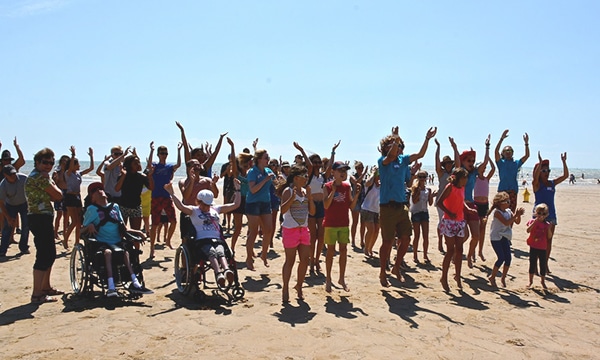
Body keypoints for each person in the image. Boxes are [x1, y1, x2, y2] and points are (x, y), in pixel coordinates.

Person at [378, 126, 436, 287]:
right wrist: (395, 137)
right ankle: (383, 271)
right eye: (394, 145)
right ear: (386, 148)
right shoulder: (383, 161)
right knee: (387, 242)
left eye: (399, 146)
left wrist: (427, 138)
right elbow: (389, 156)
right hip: (387, 207)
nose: (398, 148)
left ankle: (397, 267)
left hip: (401, 205)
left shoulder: (403, 161)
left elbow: (420, 155)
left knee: (406, 238)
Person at [82, 182, 153, 297]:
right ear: (92, 198)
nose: (99, 190)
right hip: (101, 242)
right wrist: (88, 226)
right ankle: (111, 287)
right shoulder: (92, 209)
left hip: (117, 241)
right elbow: (81, 231)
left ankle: (135, 283)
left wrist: (138, 232)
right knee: (108, 253)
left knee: (125, 252)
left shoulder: (115, 207)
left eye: (100, 188)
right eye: (95, 190)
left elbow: (124, 228)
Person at [165, 181, 241, 287]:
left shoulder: (215, 209)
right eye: (204, 205)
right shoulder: (194, 210)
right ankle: (219, 274)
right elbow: (181, 207)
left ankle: (227, 270)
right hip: (202, 240)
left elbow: (235, 205)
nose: (206, 207)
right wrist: (172, 194)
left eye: (208, 205)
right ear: (198, 201)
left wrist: (237, 190)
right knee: (212, 252)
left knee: (220, 252)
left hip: (217, 239)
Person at [26, 148, 63, 304]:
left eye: (51, 163)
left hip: (42, 217)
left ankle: (45, 287)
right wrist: (51, 185)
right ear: (37, 162)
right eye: (45, 162)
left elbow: (55, 196)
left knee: (50, 253)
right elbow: (59, 195)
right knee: (43, 255)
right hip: (39, 218)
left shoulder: (41, 177)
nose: (48, 165)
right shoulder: (39, 178)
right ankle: (37, 293)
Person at [277, 164, 315, 302]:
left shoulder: (305, 192)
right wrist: (292, 199)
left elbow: (312, 212)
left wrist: (310, 198)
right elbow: (282, 210)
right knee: (290, 260)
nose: (306, 179)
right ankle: (285, 287)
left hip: (303, 230)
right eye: (304, 176)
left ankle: (299, 285)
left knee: (305, 259)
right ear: (297, 178)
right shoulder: (288, 191)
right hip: (290, 230)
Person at [323, 161, 361, 292]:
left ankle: (341, 278)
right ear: (333, 172)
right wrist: (333, 191)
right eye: (340, 170)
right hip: (330, 223)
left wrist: (356, 195)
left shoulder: (347, 187)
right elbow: (326, 205)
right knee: (330, 251)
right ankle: (328, 278)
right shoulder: (327, 186)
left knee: (343, 250)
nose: (343, 173)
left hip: (344, 223)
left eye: (345, 170)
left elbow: (350, 206)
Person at [436, 168, 477, 292]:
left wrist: (467, 209)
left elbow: (461, 201)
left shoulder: (462, 188)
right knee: (450, 250)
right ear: (459, 178)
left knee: (459, 250)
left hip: (460, 221)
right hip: (449, 221)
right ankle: (444, 277)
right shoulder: (450, 187)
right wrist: (449, 212)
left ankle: (457, 276)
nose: (466, 180)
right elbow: (439, 202)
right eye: (464, 178)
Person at [450, 137, 487, 269]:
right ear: (463, 161)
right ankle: (454, 252)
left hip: (471, 204)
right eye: (469, 160)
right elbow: (457, 163)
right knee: (464, 235)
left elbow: (485, 163)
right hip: (460, 205)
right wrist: (454, 147)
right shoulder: (460, 173)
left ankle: (470, 256)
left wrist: (487, 147)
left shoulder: (473, 173)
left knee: (476, 235)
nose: (471, 162)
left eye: (473, 160)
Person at [303, 141, 338, 274]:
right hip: (311, 206)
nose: (317, 164)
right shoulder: (309, 176)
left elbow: (330, 167)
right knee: (312, 236)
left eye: (319, 162)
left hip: (322, 206)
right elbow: (309, 166)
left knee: (321, 236)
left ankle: (317, 260)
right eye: (315, 162)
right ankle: (311, 261)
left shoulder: (323, 177)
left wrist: (333, 151)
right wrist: (302, 150)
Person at [532, 152, 569, 274]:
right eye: (543, 170)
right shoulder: (537, 185)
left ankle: (545, 264)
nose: (546, 172)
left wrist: (564, 162)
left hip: (551, 215)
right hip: (538, 216)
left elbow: (565, 176)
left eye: (548, 170)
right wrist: (540, 165)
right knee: (537, 240)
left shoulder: (552, 183)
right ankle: (536, 266)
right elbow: (535, 178)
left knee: (548, 240)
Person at [148, 142, 181, 257]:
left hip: (167, 196)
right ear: (158, 154)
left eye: (165, 153)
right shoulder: (155, 165)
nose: (164, 155)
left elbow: (179, 164)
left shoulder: (169, 167)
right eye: (162, 153)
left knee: (173, 221)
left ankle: (168, 240)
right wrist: (151, 150)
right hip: (156, 196)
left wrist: (179, 150)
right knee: (155, 223)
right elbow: (149, 167)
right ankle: (152, 248)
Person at [245, 148, 275, 270]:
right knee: (254, 231)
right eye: (265, 158)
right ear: (259, 160)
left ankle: (264, 254)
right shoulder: (252, 171)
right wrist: (265, 179)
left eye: (268, 157)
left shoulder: (268, 170)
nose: (268, 160)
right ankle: (248, 258)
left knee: (268, 230)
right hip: (253, 203)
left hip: (265, 202)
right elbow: (253, 189)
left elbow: (275, 184)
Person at [487, 192, 524, 288]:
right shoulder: (497, 213)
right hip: (496, 238)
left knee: (508, 258)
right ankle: (493, 276)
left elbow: (517, 222)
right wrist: (516, 215)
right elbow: (506, 223)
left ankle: (503, 277)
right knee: (501, 257)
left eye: (509, 201)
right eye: (507, 201)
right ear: (500, 203)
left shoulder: (508, 211)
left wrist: (518, 215)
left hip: (505, 237)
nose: (509, 203)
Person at [63, 146, 94, 249]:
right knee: (74, 221)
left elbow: (91, 168)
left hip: (77, 197)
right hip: (70, 197)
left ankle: (77, 241)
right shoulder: (67, 174)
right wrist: (73, 155)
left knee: (79, 222)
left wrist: (91, 156)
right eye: (77, 163)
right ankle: (65, 239)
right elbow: (70, 167)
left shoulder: (78, 174)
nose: (79, 165)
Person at [115, 153, 153, 232]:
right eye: (135, 163)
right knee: (121, 232)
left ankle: (135, 245)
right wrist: (123, 175)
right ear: (129, 165)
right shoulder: (123, 175)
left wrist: (150, 176)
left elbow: (151, 187)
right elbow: (117, 189)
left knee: (136, 233)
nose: (138, 164)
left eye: (138, 162)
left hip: (136, 206)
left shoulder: (141, 176)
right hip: (123, 206)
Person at [433, 139, 459, 254]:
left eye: (450, 163)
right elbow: (437, 162)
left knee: (450, 221)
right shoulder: (441, 173)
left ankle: (448, 242)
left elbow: (458, 164)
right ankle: (439, 241)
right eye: (446, 163)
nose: (448, 165)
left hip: (451, 200)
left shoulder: (454, 174)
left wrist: (454, 147)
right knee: (441, 221)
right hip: (440, 200)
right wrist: (438, 147)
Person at [494, 129, 530, 213]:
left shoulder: (516, 163)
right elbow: (496, 151)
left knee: (511, 213)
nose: (508, 152)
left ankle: (509, 226)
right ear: (503, 153)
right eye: (506, 150)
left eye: (510, 150)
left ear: (512, 153)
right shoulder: (500, 163)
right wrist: (501, 139)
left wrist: (526, 143)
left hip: (513, 191)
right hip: (502, 190)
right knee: (500, 212)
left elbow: (527, 155)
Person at [473, 135, 496, 262]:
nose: (484, 168)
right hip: (476, 204)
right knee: (476, 230)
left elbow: (493, 168)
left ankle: (480, 251)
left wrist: (490, 159)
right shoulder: (475, 178)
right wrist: (487, 148)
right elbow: (485, 164)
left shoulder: (486, 179)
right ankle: (474, 252)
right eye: (482, 167)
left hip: (485, 205)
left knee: (483, 230)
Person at [0, 165, 30, 257]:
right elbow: (1, 203)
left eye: (14, 173)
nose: (13, 176)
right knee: (7, 227)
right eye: (10, 174)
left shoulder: (23, 178)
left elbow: (32, 188)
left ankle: (23, 247)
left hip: (24, 204)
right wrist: (8, 217)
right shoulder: (3, 185)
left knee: (26, 226)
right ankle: (2, 250)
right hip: (10, 205)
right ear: (5, 175)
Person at [410, 170, 435, 263]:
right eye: (420, 177)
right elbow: (414, 201)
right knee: (417, 235)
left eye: (424, 177)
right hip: (416, 212)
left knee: (425, 235)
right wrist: (418, 192)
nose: (422, 179)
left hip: (424, 212)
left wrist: (431, 195)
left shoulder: (428, 190)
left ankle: (425, 255)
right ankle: (415, 255)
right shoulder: (415, 188)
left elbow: (431, 203)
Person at [526, 203, 552, 289]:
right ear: (536, 213)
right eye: (539, 213)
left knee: (542, 264)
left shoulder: (547, 224)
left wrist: (548, 228)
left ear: (546, 215)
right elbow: (528, 230)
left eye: (543, 214)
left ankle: (543, 281)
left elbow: (549, 236)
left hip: (542, 247)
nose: (541, 216)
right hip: (533, 246)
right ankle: (530, 281)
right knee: (532, 263)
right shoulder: (533, 221)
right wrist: (534, 222)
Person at [360, 167, 380, 258]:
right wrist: (373, 173)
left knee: (376, 231)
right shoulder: (369, 184)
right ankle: (366, 248)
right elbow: (368, 182)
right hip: (367, 209)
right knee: (371, 230)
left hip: (377, 210)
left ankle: (370, 248)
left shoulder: (382, 185)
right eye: (378, 176)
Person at [349, 161, 367, 249]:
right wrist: (363, 175)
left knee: (363, 223)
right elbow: (356, 182)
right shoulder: (352, 177)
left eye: (362, 168)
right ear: (356, 169)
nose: (361, 170)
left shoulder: (364, 179)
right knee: (355, 222)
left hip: (362, 201)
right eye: (359, 168)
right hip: (355, 201)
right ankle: (352, 240)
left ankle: (362, 240)